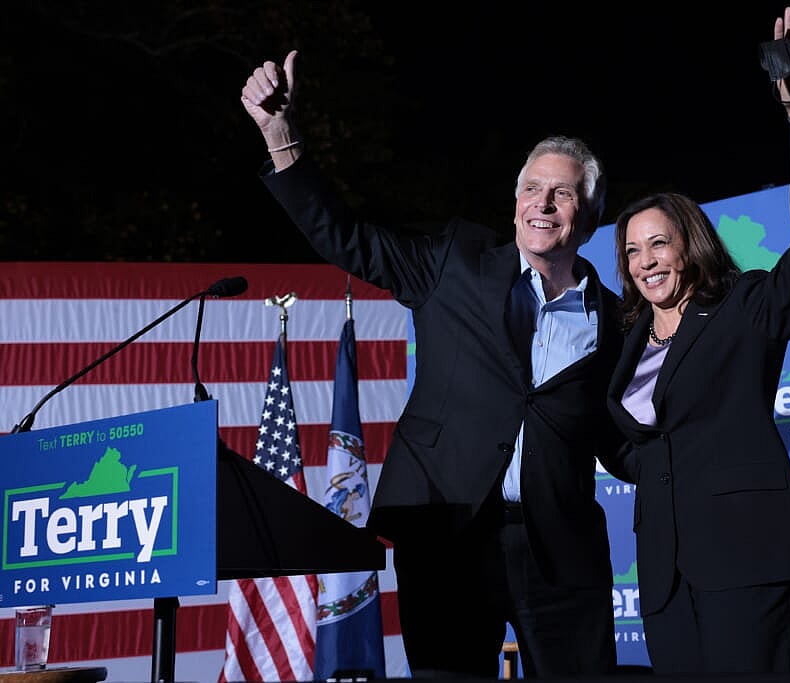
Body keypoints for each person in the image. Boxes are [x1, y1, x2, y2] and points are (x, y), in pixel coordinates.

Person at [239, 51, 628, 678]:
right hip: (449, 538)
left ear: (589, 211)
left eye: (562, 192)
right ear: (514, 203)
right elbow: (346, 237)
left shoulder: (614, 319)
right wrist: (280, 135)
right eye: (532, 188)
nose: (543, 203)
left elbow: (616, 435)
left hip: (562, 554)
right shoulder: (455, 262)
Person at [606, 6, 790, 675]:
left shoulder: (745, 308)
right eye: (632, 251)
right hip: (663, 573)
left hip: (746, 556)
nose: (645, 261)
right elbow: (636, 443)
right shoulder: (628, 341)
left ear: (689, 245)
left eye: (659, 243)